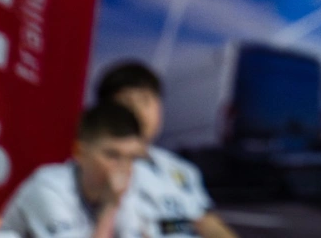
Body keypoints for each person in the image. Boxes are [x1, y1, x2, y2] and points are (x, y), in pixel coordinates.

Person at [95, 62, 238, 238]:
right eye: (126, 103)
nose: (138, 112)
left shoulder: (182, 169)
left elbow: (203, 221)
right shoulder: (93, 169)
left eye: (145, 101)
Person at [0, 102, 150, 238]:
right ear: (79, 152)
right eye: (112, 155)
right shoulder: (48, 188)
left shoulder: (123, 195)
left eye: (132, 158)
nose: (124, 167)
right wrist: (109, 207)